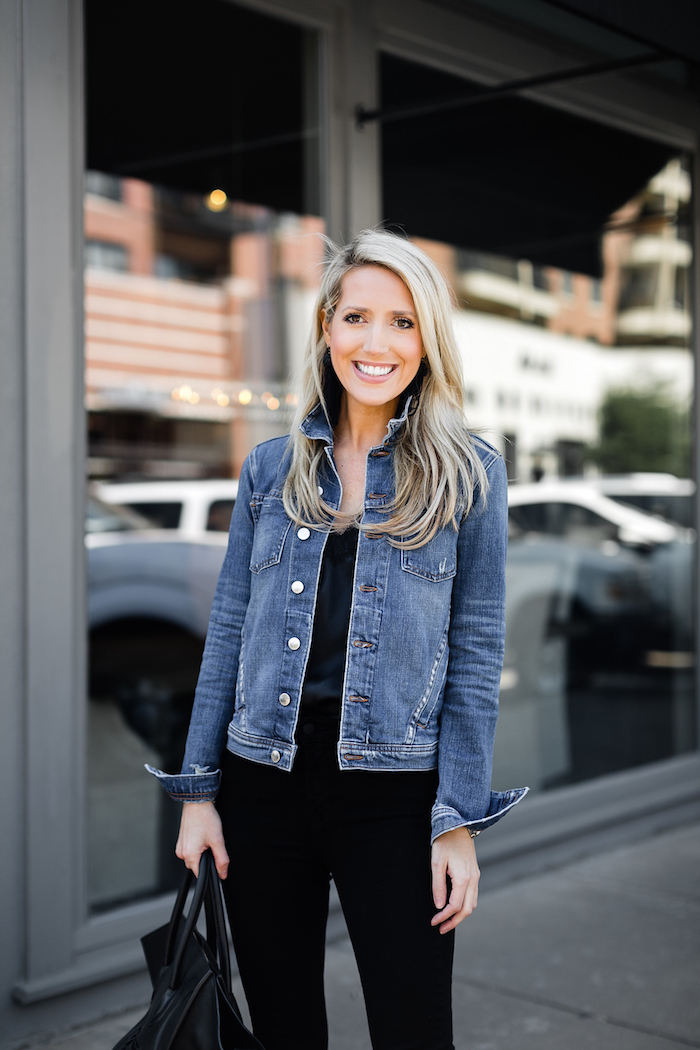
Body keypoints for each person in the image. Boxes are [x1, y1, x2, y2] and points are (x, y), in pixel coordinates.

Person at [148, 229, 527, 1050]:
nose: (377, 342)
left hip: (396, 798)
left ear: (427, 340)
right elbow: (228, 635)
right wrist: (199, 794)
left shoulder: (469, 474)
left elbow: (475, 649)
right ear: (327, 327)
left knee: (414, 1030)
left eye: (402, 322)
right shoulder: (270, 469)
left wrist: (456, 818)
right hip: (262, 785)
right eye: (357, 316)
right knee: (285, 1029)